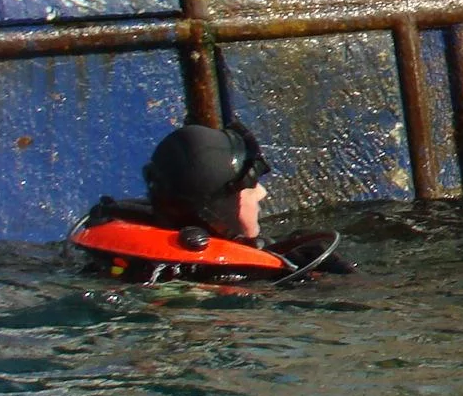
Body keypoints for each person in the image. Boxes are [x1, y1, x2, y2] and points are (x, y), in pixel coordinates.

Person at [70, 121, 352, 285]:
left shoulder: (112, 258)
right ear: (220, 206)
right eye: (250, 187)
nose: (262, 193)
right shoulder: (232, 278)